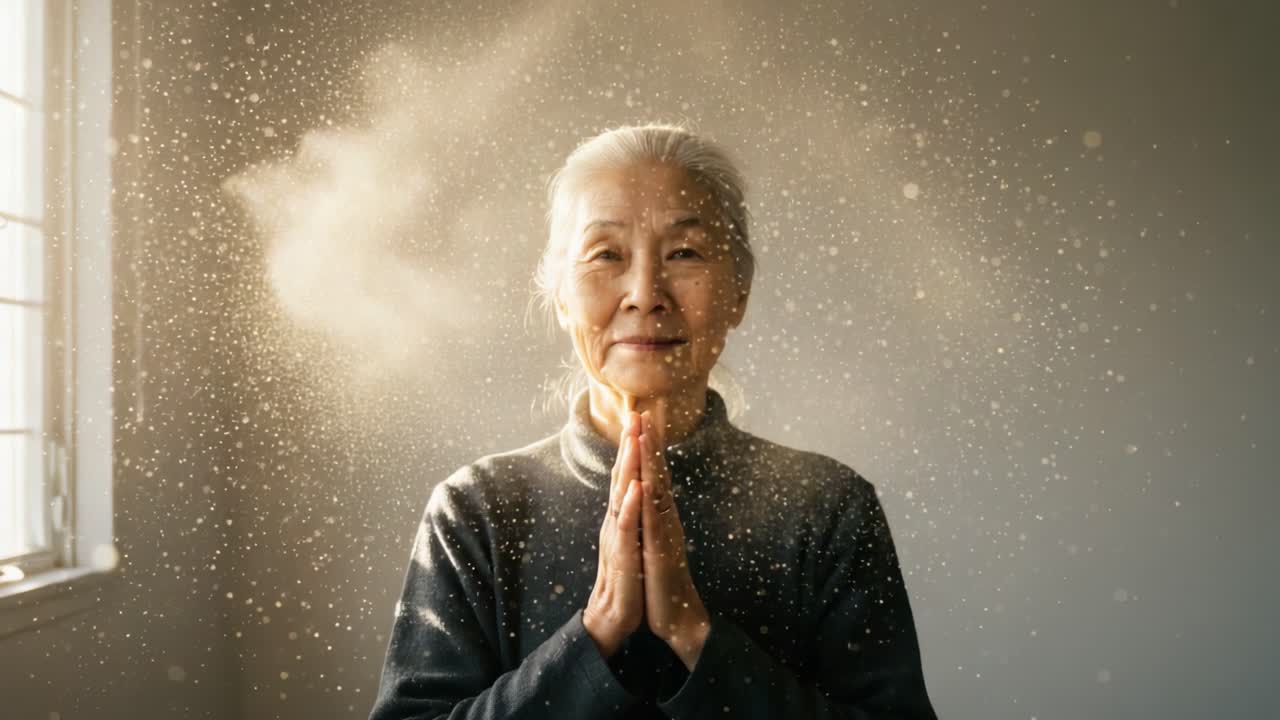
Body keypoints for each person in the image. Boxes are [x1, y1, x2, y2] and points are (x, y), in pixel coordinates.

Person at [368, 123, 938, 719]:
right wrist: (594, 635)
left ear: (739, 291)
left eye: (685, 253)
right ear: (561, 294)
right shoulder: (478, 510)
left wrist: (696, 636)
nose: (646, 292)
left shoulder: (827, 507)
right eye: (606, 254)